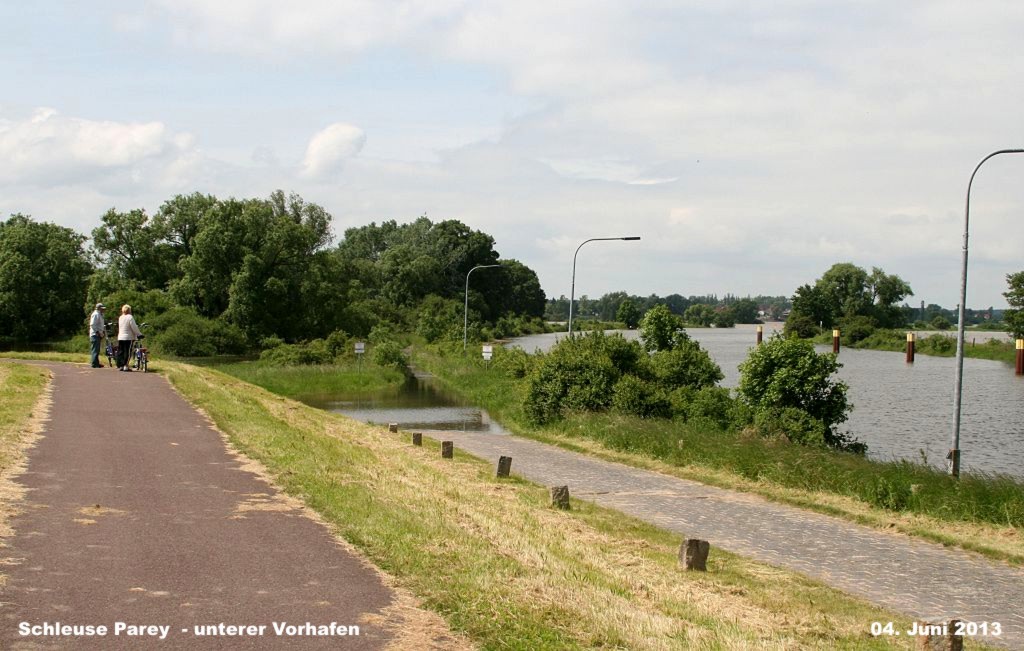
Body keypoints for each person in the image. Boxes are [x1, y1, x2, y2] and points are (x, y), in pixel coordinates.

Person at [117, 304, 143, 372]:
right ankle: (126, 365)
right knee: (127, 351)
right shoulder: (130, 317)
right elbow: (134, 327)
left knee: (121, 351)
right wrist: (139, 334)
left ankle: (121, 365)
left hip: (120, 336)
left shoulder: (120, 317)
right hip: (128, 337)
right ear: (129, 310)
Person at [88, 303, 106, 368]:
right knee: (95, 349)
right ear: (99, 308)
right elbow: (92, 325)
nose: (103, 310)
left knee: (97, 349)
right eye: (102, 308)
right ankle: (94, 363)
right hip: (95, 334)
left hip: (98, 334)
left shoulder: (100, 314)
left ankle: (96, 362)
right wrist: (97, 332)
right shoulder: (96, 314)